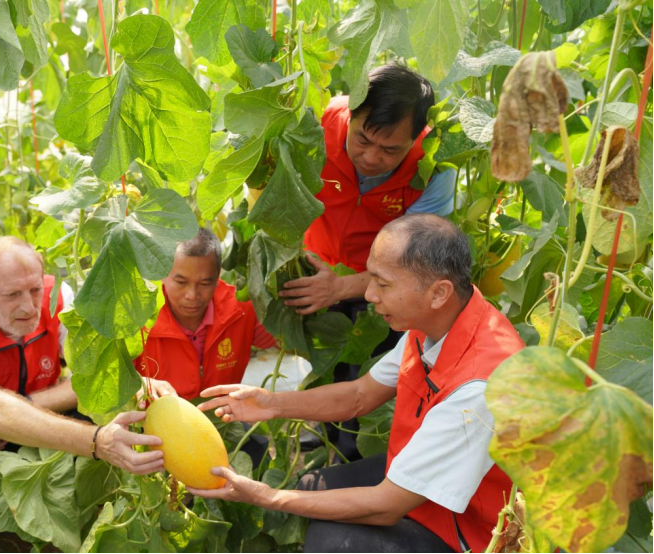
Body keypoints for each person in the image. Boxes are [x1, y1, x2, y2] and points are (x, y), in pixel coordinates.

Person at [191, 215, 525, 554]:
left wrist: (267, 496)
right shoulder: (434, 324)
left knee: (331, 543)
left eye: (382, 284)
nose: (368, 294)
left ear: (439, 292)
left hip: (473, 532)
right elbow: (359, 395)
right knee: (311, 487)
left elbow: (386, 505)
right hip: (421, 490)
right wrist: (271, 404)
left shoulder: (481, 387)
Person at [0, 236, 168, 514]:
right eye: (12, 295)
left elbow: (99, 377)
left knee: (114, 413)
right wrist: (97, 441)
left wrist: (23, 408)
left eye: (35, 289)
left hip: (39, 420)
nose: (29, 306)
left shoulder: (58, 296)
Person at [279, 64, 458, 459]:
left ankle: (364, 459)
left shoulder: (434, 167)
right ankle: (328, 440)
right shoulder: (317, 124)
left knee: (376, 379)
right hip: (318, 269)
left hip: (389, 289)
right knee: (327, 365)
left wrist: (342, 287)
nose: (371, 157)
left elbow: (415, 261)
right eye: (362, 140)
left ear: (416, 137)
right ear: (352, 116)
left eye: (391, 149)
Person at [133, 228, 277, 401]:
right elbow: (113, 374)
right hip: (152, 424)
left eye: (204, 283)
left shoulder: (242, 310)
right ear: (162, 275)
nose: (192, 295)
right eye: (181, 282)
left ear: (218, 278)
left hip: (222, 419)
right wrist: (140, 383)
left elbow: (283, 340)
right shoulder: (139, 317)